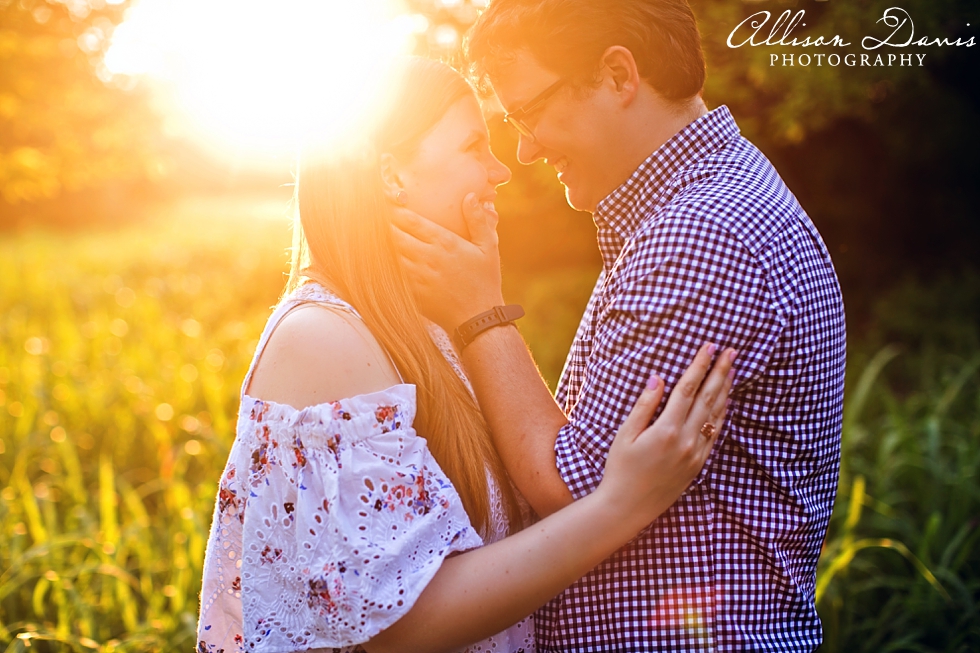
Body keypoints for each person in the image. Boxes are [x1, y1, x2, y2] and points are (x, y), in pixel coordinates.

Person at [195, 56, 735, 653]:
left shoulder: (424, 328)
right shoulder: (320, 339)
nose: (501, 169)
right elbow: (404, 620)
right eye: (474, 146)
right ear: (391, 175)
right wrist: (619, 506)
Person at [391, 1, 848, 651]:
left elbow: (572, 482)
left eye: (531, 113)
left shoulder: (700, 235)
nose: (524, 148)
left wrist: (478, 312)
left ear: (616, 75)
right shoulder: (701, 204)